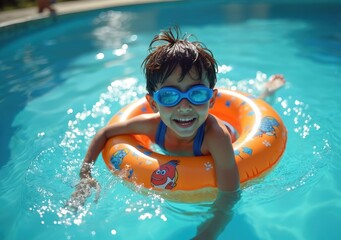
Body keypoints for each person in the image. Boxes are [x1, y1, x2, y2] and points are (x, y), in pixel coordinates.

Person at [67, 26, 285, 239]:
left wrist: (208, 232)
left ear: (211, 100)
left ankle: (265, 93)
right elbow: (105, 133)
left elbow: (230, 194)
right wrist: (85, 177)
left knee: (258, 105)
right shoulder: (152, 126)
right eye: (170, 97)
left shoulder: (216, 137)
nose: (184, 106)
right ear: (153, 103)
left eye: (197, 94)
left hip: (233, 134)